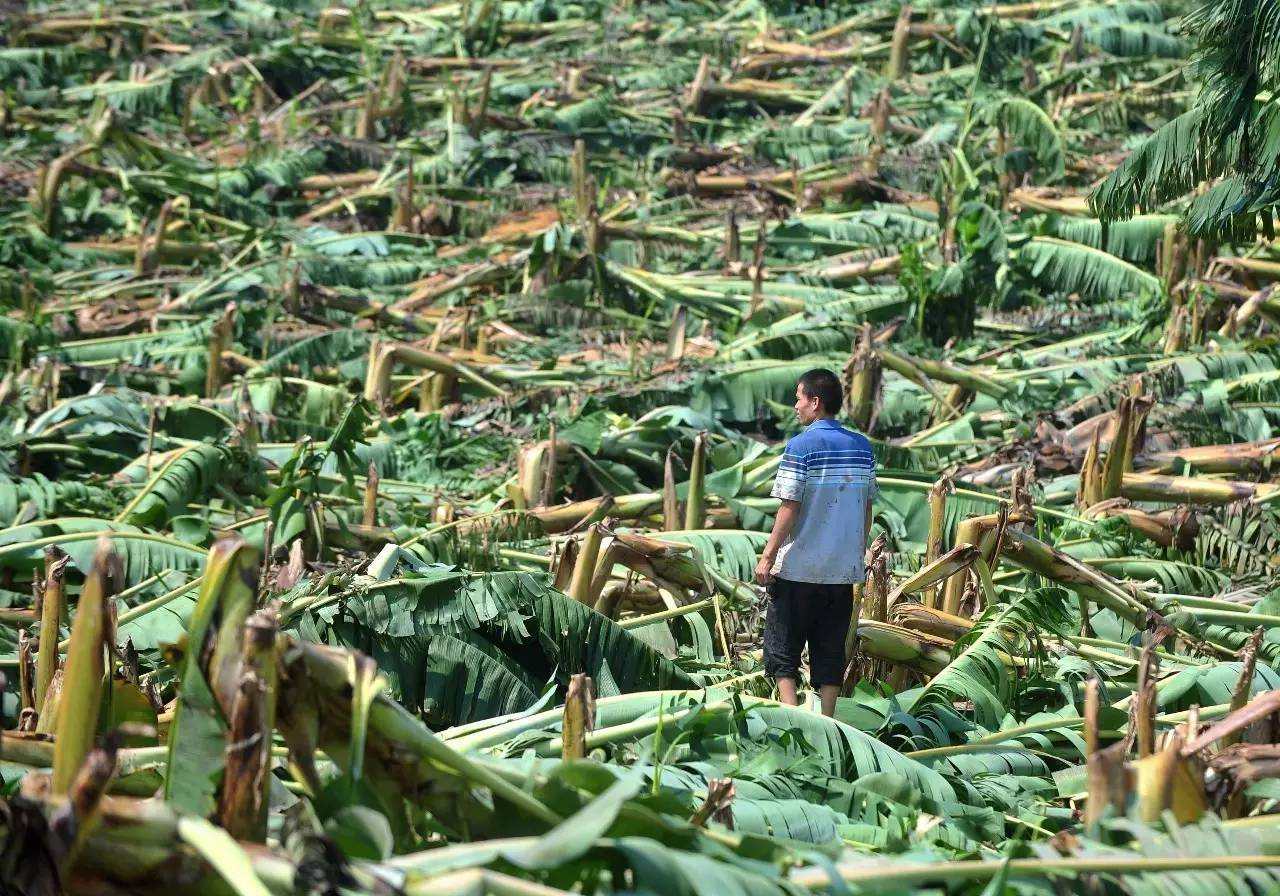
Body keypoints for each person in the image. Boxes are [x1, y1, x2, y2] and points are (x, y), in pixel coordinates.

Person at [754, 368, 876, 717]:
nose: (795, 406)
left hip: (799, 568)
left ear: (815, 402)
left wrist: (767, 556)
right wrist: (855, 551)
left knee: (783, 649)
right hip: (841, 572)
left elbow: (789, 507)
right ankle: (827, 721)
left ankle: (794, 718)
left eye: (799, 398)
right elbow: (866, 509)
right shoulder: (862, 448)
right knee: (830, 649)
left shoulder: (801, 446)